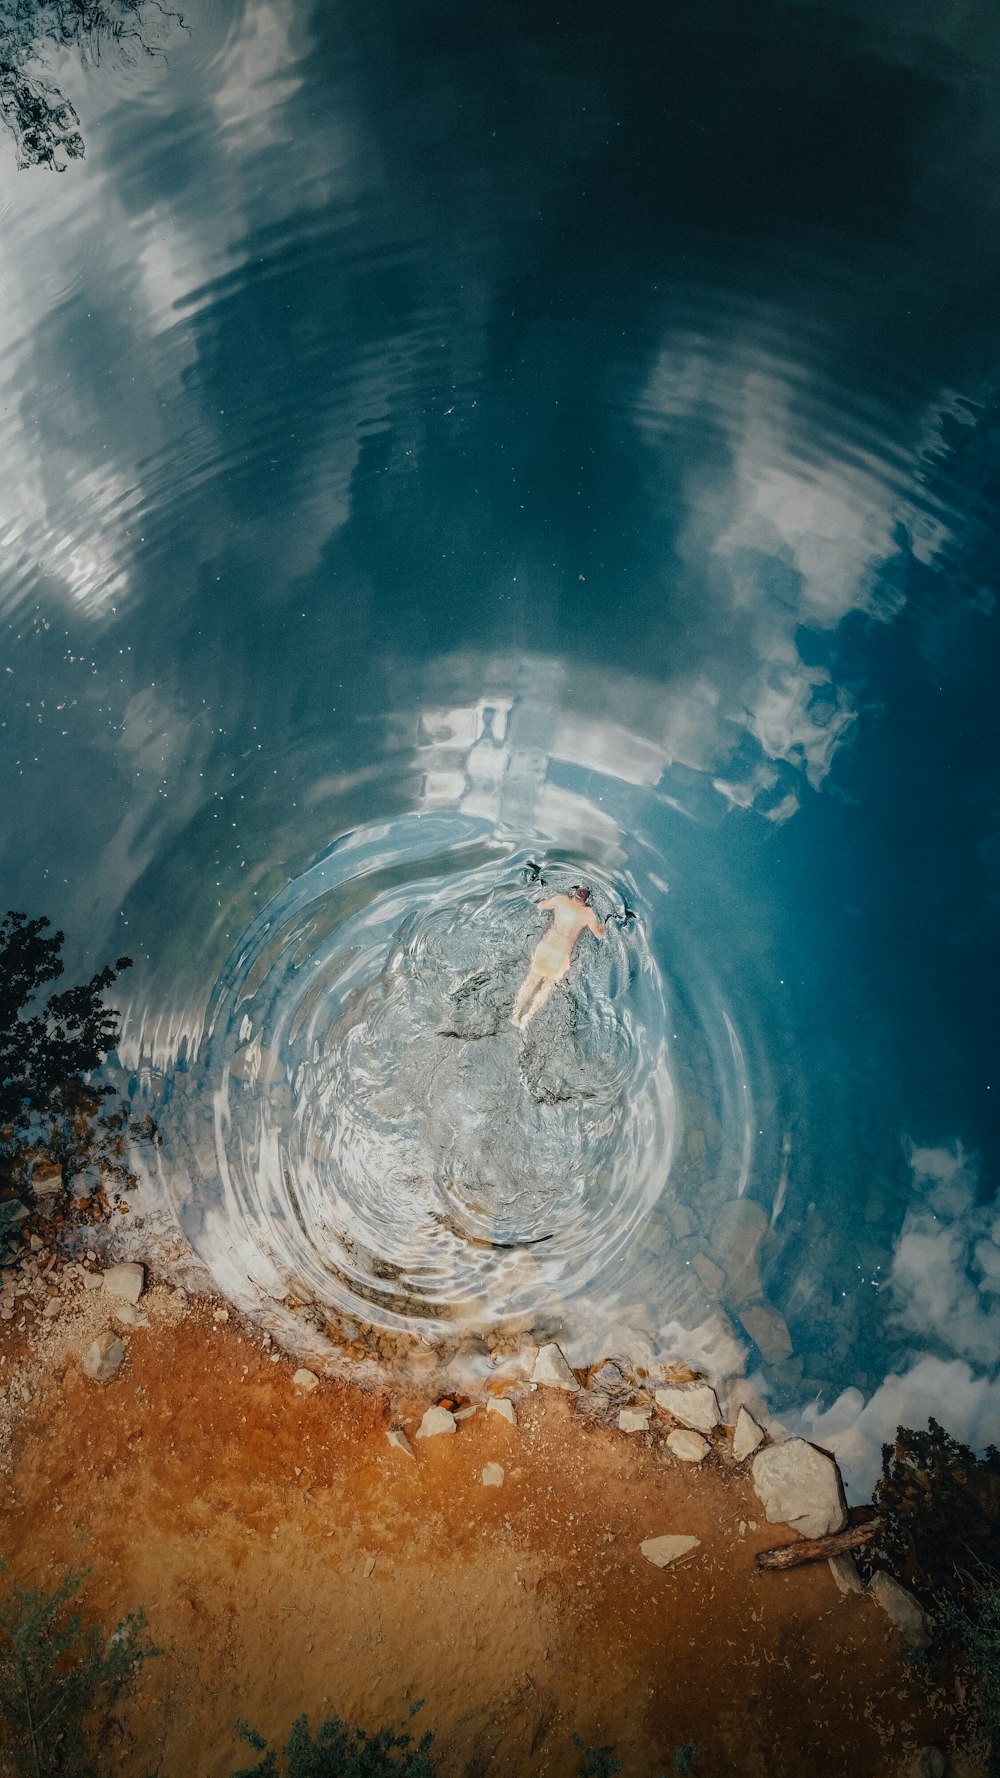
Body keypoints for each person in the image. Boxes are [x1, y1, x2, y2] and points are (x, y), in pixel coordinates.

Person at [511, 885, 605, 1029]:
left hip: (546, 947)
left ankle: (516, 1014)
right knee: (547, 987)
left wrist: (542, 894)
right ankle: (527, 1018)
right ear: (587, 898)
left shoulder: (560, 900)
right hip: (561, 955)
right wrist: (605, 925)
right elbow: (599, 935)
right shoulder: (589, 914)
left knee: (531, 980)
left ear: (574, 892)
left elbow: (540, 906)